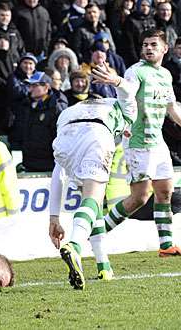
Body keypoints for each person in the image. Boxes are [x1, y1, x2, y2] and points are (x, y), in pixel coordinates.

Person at [92, 29, 181, 257]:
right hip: (138, 143)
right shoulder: (135, 71)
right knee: (140, 198)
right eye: (145, 45)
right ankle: (95, 232)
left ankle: (166, 245)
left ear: (164, 49)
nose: (148, 48)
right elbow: (128, 89)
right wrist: (117, 81)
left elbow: (172, 109)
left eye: (153, 44)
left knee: (165, 192)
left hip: (158, 143)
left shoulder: (166, 75)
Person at [48, 86, 137, 290]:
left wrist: (54, 217)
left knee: (90, 205)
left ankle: (103, 266)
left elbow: (57, 174)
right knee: (94, 198)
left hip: (65, 139)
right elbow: (127, 95)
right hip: (96, 135)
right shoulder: (119, 108)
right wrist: (118, 81)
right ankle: (75, 246)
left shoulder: (68, 111)